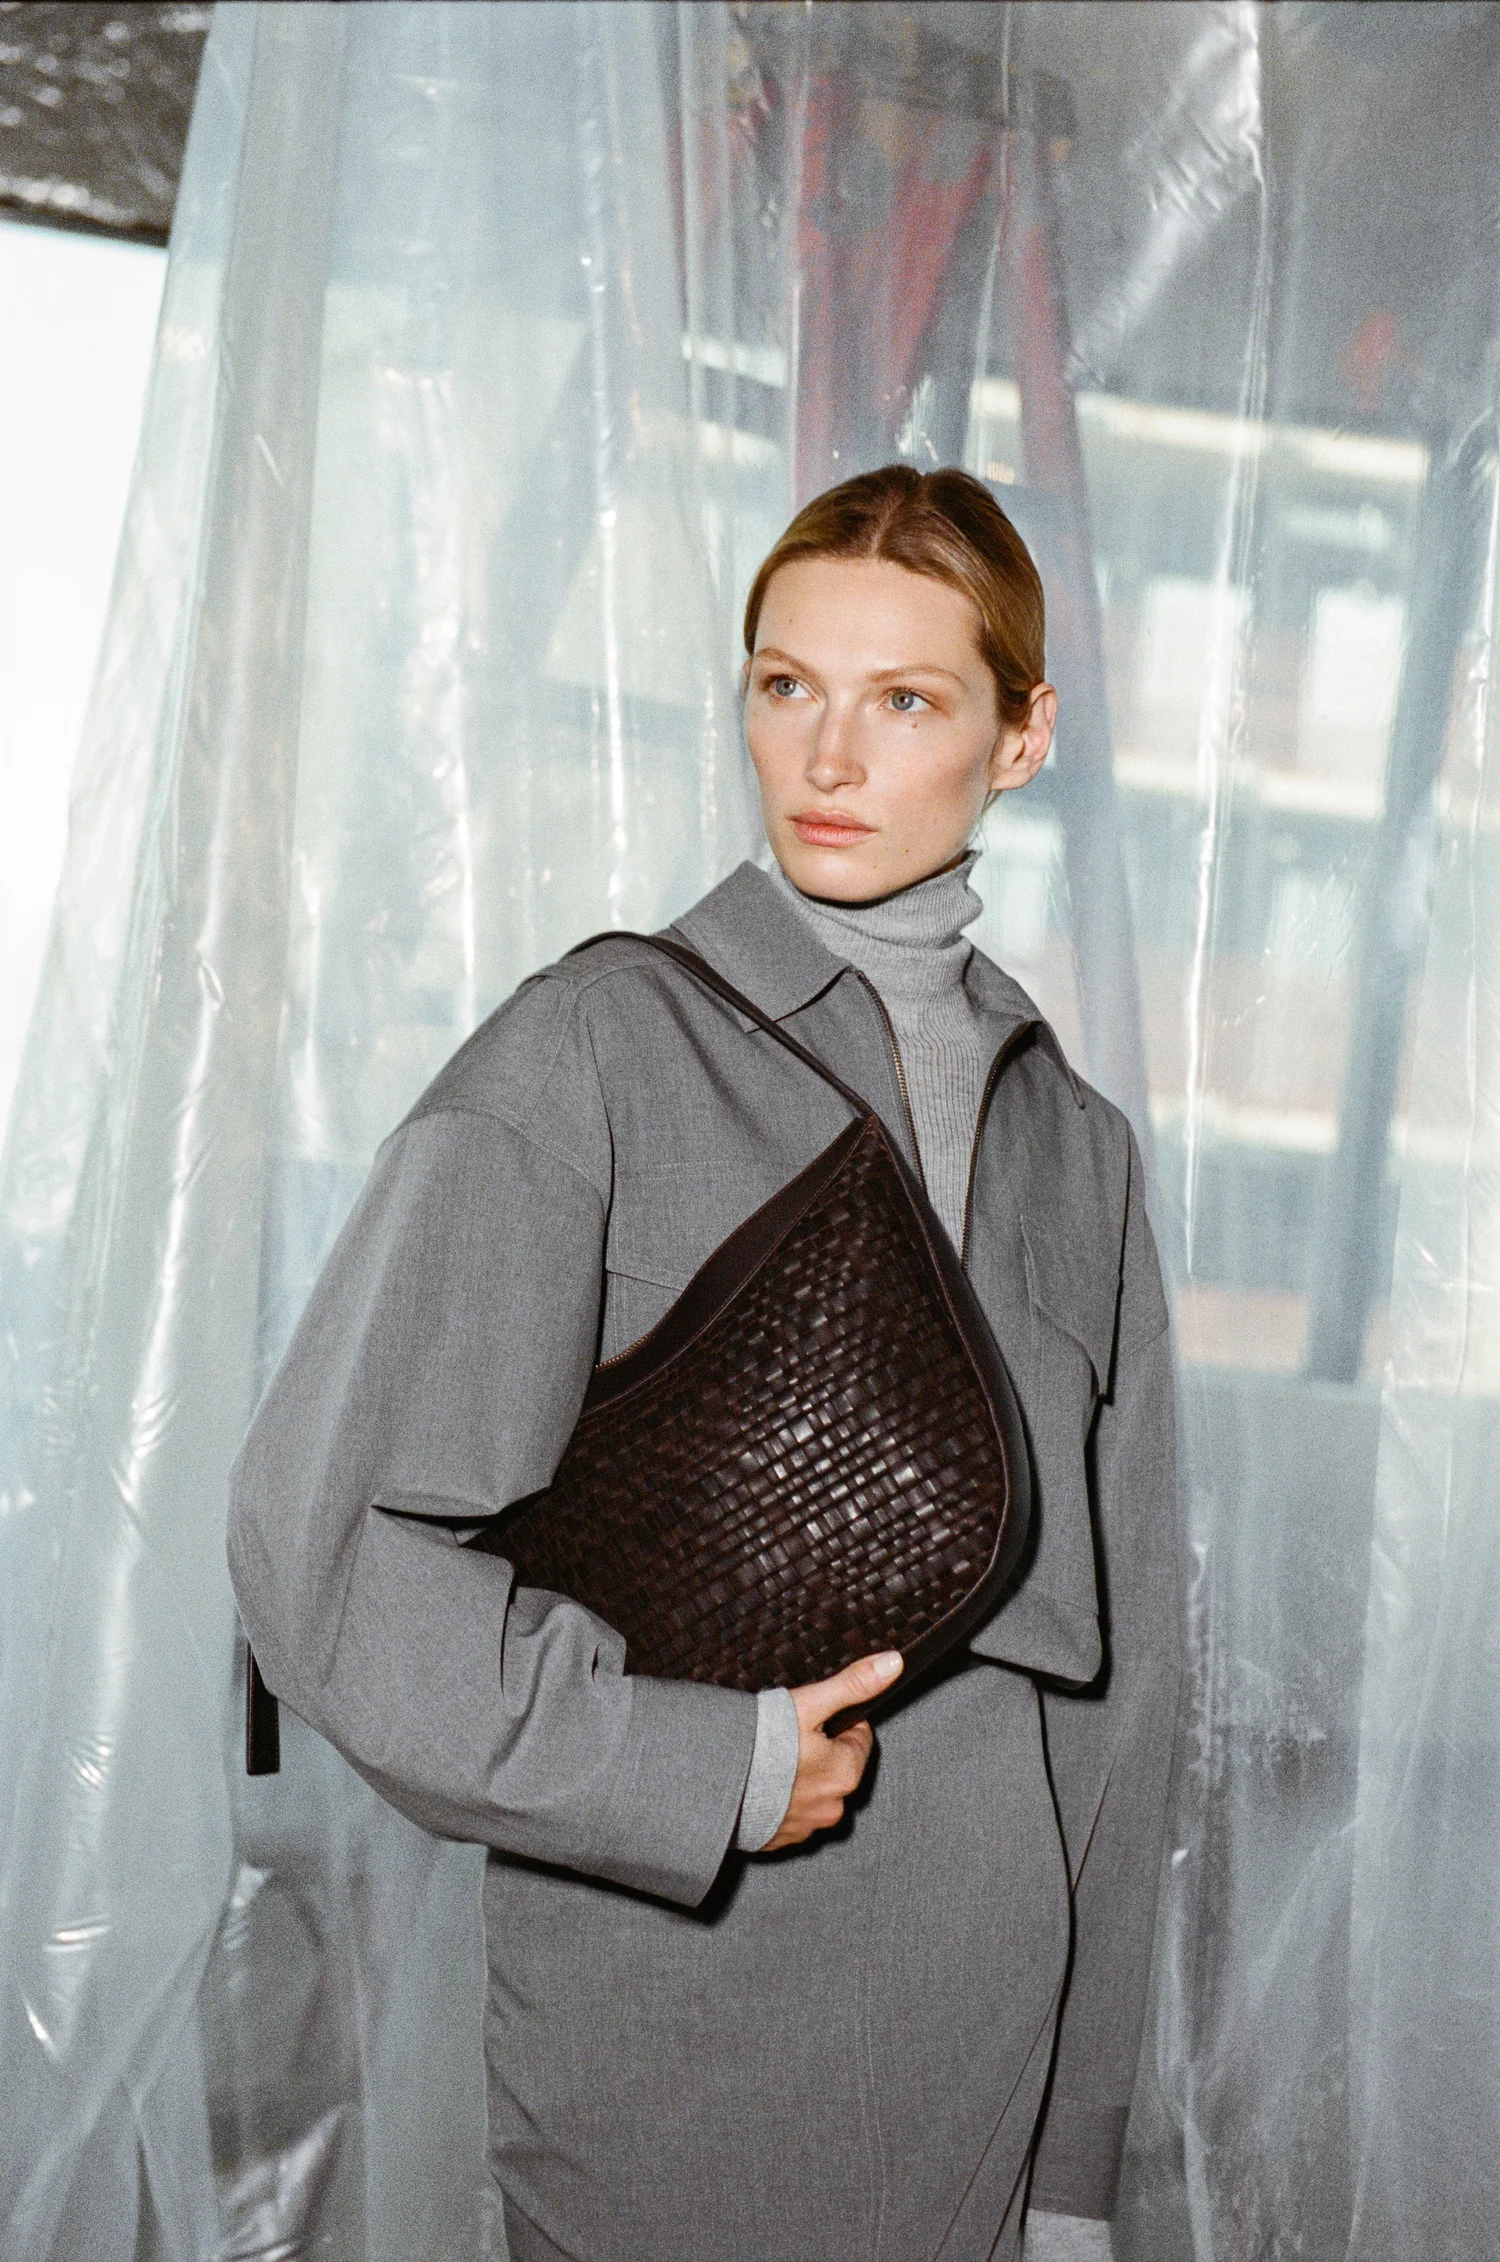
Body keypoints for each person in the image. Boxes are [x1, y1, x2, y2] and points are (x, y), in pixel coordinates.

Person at [228, 465, 1180, 2262]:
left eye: (907, 700)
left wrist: (1076, 2166)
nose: (830, 754)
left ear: (1023, 735)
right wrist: (699, 1765)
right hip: (668, 2054)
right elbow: (322, 1549)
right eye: (786, 684)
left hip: (985, 2059)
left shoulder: (1081, 1148)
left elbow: (1122, 1701)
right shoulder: (593, 1049)